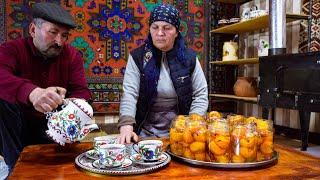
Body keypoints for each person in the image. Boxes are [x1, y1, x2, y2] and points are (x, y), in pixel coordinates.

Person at [0, 2, 91, 171]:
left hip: (50, 127)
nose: (59, 42)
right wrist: (32, 93)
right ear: (33, 30)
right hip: (16, 129)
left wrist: (69, 103)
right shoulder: (11, 50)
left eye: (64, 35)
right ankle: (17, 168)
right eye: (53, 33)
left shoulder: (71, 55)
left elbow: (82, 91)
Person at [117, 4, 208, 144]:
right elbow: (130, 93)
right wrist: (126, 125)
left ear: (176, 32)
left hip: (180, 135)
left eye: (167, 28)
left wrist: (191, 127)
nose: (160, 33)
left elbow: (200, 95)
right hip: (144, 134)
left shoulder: (189, 58)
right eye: (155, 27)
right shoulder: (138, 57)